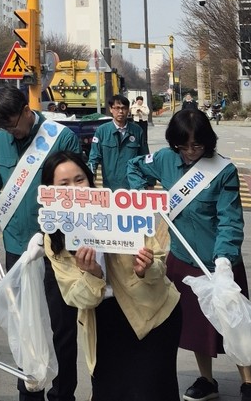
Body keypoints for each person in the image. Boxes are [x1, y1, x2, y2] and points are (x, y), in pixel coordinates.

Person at [127, 109, 251, 401]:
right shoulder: (165, 159)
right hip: (183, 259)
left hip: (219, 261)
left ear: (208, 141)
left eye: (197, 145)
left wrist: (224, 260)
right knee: (199, 326)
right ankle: (207, 380)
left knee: (234, 323)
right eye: (183, 146)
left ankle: (248, 381)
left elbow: (229, 219)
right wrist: (145, 197)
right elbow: (134, 167)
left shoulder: (223, 170)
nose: (190, 152)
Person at [37, 151, 182, 401]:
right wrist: (93, 274)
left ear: (90, 180)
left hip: (152, 315)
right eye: (64, 184)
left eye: (79, 179)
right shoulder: (55, 238)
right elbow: (75, 297)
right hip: (103, 323)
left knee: (153, 393)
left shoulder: (123, 210)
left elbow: (158, 262)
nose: (75, 190)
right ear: (51, 192)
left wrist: (145, 268)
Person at [0, 86, 83, 401]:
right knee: (24, 327)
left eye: (13, 125)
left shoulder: (61, 138)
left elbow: (77, 194)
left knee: (61, 327)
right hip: (16, 249)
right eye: (3, 128)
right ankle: (30, 390)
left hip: (57, 251)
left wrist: (48, 233)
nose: (11, 132)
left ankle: (63, 394)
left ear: (26, 110)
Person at [88, 94, 148, 190]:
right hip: (110, 185)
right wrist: (90, 176)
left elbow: (145, 158)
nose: (120, 111)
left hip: (133, 186)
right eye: (117, 108)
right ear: (111, 109)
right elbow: (94, 157)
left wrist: (150, 182)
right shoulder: (102, 131)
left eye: (124, 108)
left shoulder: (137, 131)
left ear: (128, 110)